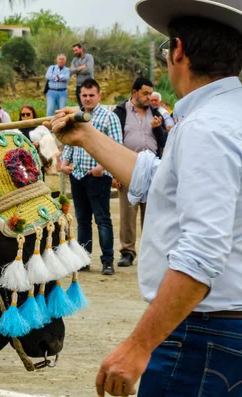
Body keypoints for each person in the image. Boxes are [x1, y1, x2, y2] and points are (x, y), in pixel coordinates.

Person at [49, 2, 242, 395]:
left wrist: (138, 345)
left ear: (179, 51)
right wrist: (86, 135)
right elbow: (159, 181)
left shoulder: (205, 128)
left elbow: (202, 251)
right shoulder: (225, 116)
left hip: (204, 335)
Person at [59, 78, 123, 275]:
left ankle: (107, 261)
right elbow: (70, 142)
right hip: (77, 174)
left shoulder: (108, 117)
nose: (87, 99)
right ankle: (84, 260)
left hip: (97, 176)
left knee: (102, 219)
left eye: (91, 95)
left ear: (99, 96)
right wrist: (64, 163)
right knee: (82, 219)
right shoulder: (76, 117)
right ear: (80, 96)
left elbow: (116, 146)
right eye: (84, 95)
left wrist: (101, 167)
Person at [113, 77, 167, 268]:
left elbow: (163, 142)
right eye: (145, 93)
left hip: (152, 168)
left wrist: (157, 128)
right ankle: (127, 252)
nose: (148, 97)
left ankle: (150, 252)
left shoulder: (156, 113)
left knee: (151, 213)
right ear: (134, 92)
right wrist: (115, 171)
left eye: (150, 93)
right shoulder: (120, 112)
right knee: (128, 213)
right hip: (128, 166)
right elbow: (113, 142)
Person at [69, 43, 95, 108]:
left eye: (76, 50)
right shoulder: (74, 60)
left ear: (81, 49)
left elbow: (89, 70)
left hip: (89, 84)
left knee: (89, 104)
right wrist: (80, 68)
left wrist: (76, 71)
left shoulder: (89, 57)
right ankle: (83, 117)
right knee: (81, 105)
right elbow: (70, 71)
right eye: (74, 51)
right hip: (79, 85)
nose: (75, 52)